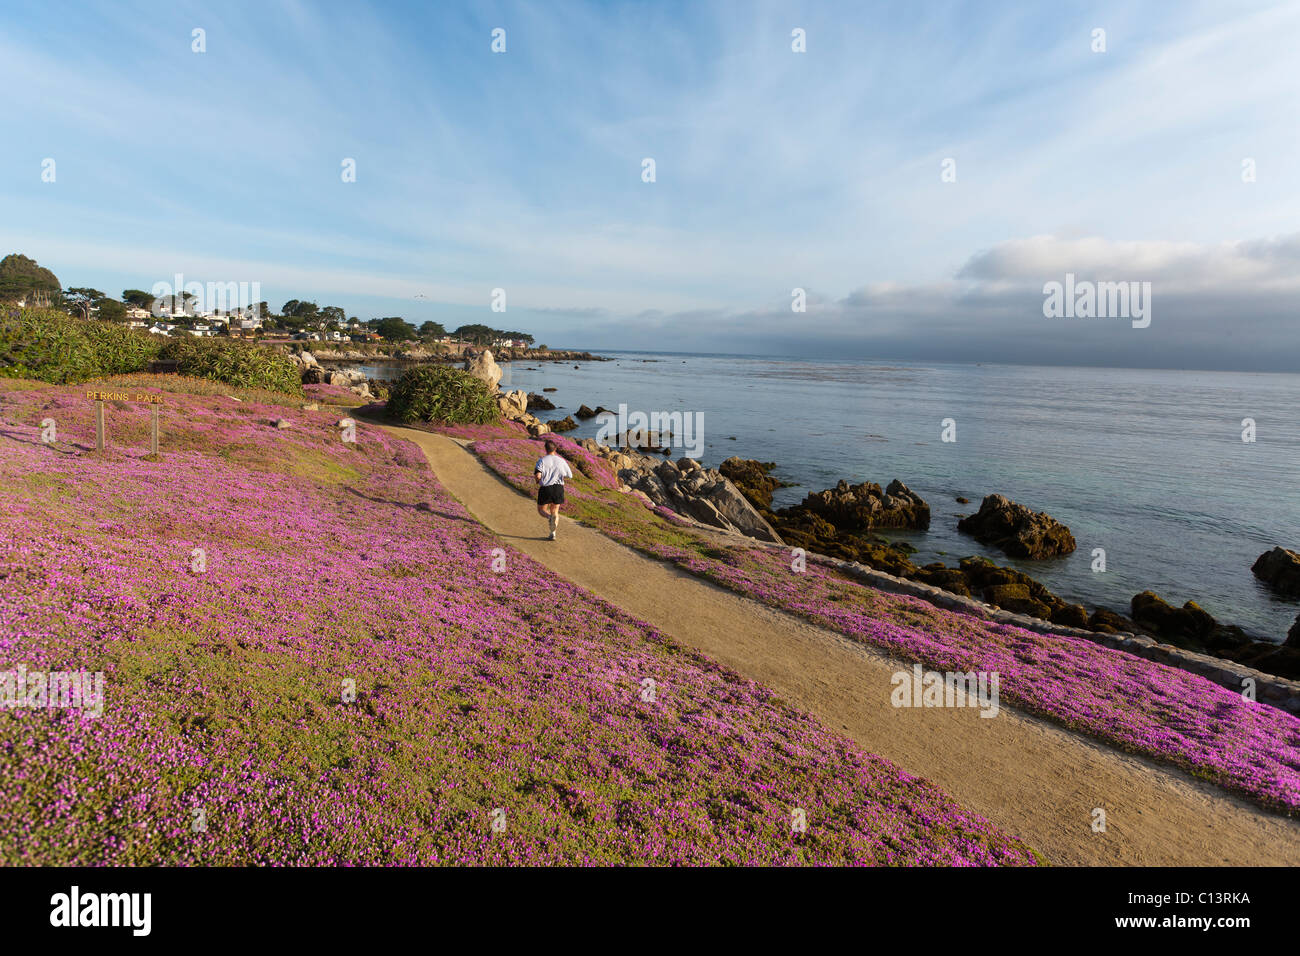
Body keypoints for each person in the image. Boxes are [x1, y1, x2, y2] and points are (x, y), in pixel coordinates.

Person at [533, 439, 573, 540]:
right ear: (555, 449)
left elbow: (538, 475)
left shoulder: (541, 461)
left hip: (546, 488)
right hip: (558, 488)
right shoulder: (561, 461)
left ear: (545, 449)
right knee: (555, 511)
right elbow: (570, 475)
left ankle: (549, 517)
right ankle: (553, 533)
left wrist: (538, 481)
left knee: (541, 509)